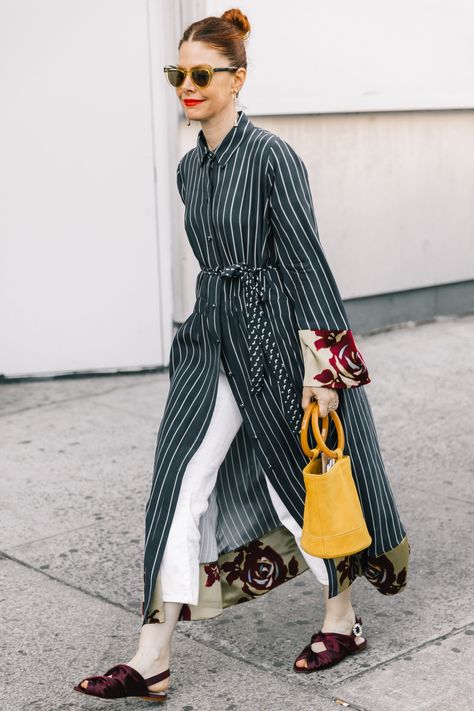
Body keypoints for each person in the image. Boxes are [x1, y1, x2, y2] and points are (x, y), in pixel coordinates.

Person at [74, 8, 410, 702]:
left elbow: (306, 263)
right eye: (179, 74)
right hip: (209, 339)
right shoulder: (190, 169)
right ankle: (151, 656)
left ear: (238, 78)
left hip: (271, 340)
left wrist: (326, 370)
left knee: (300, 481)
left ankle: (341, 618)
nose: (188, 85)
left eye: (203, 74)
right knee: (177, 481)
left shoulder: (274, 157)